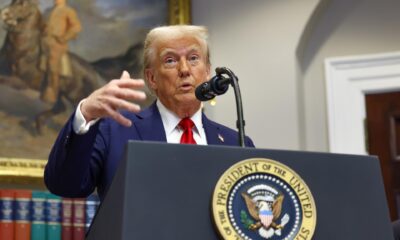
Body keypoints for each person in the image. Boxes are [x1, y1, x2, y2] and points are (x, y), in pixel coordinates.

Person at [44, 25, 254, 201]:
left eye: (193, 58)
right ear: (152, 78)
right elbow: (65, 185)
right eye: (170, 60)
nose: (184, 69)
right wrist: (86, 112)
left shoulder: (236, 143)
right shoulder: (114, 130)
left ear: (207, 71)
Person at [40, 0, 82, 103]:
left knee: (53, 66)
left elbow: (76, 27)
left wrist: (65, 37)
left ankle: (52, 93)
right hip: (44, 41)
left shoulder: (68, 10)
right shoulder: (48, 11)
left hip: (57, 44)